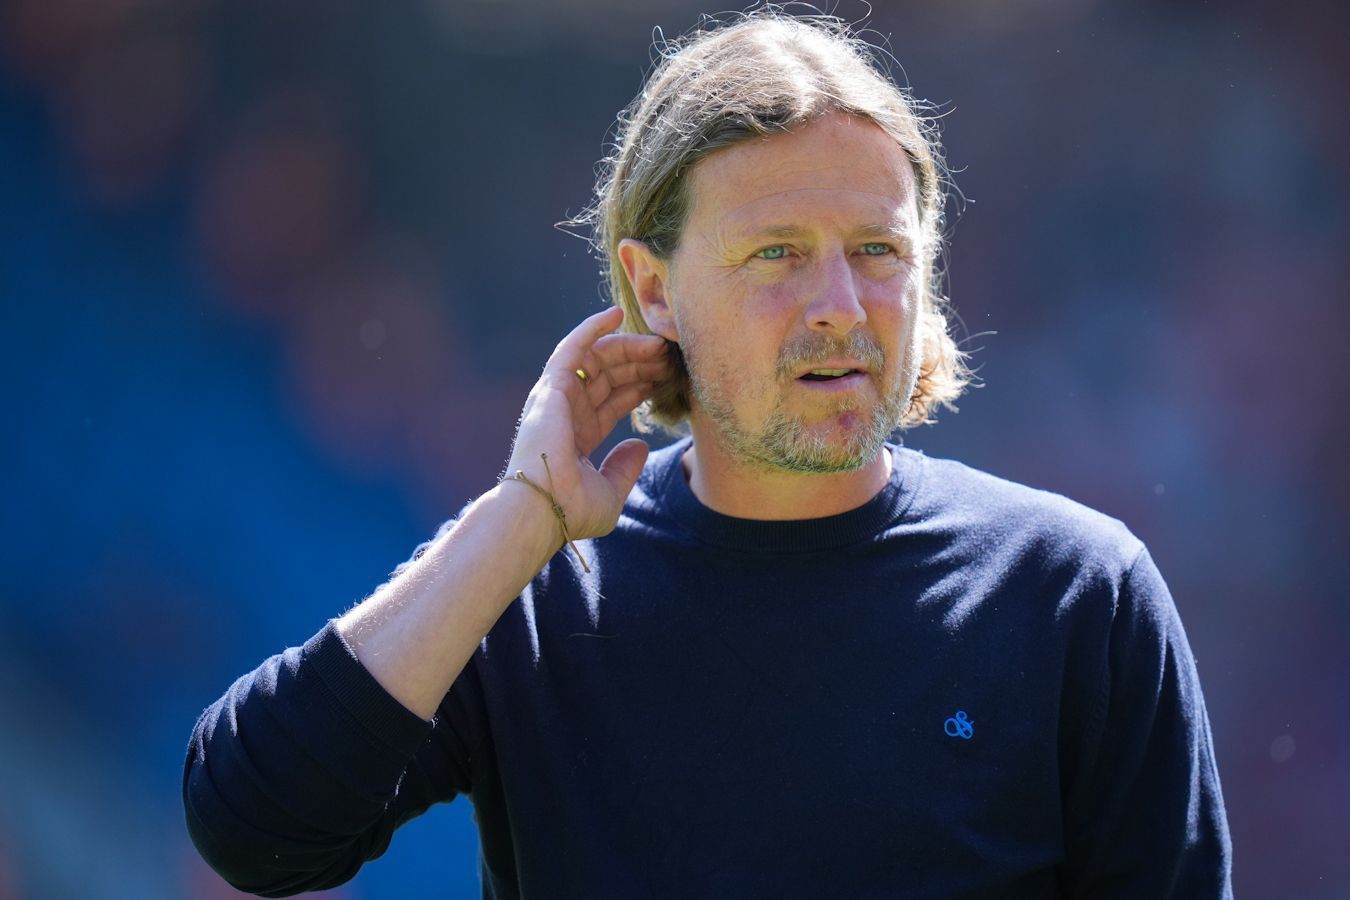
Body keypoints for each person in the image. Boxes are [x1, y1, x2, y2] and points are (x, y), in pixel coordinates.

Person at [183, 11, 1232, 899]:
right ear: (654, 290)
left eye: (878, 251)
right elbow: (255, 828)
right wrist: (517, 517)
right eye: (778, 254)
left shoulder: (1075, 594)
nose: (840, 306)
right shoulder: (537, 592)